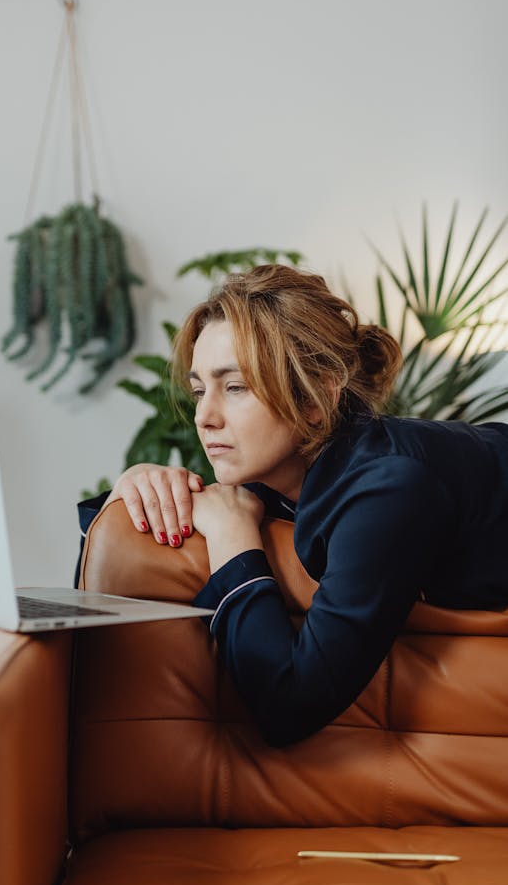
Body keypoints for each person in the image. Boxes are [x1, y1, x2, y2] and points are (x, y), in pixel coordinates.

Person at [78, 264, 508, 747]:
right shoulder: (283, 470)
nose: (204, 416)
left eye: (235, 387)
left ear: (316, 397)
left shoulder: (388, 487)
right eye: (199, 390)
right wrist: (138, 484)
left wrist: (234, 542)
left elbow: (290, 706)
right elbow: (112, 552)